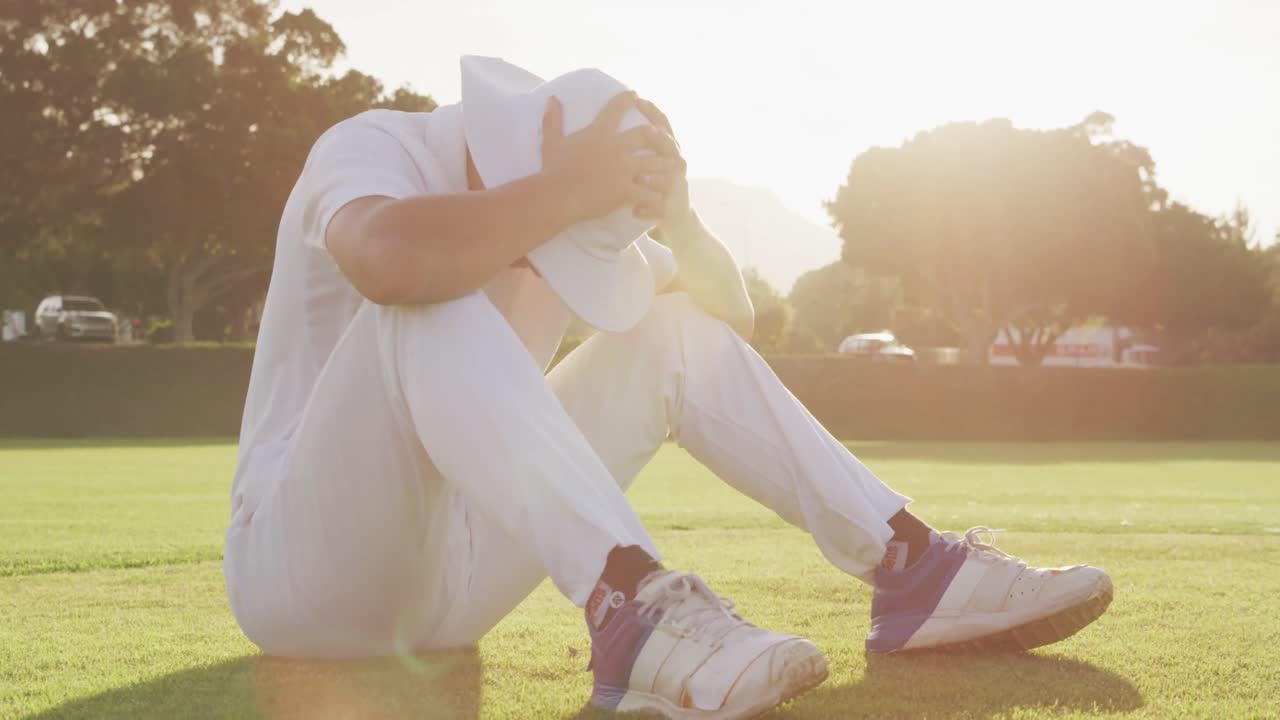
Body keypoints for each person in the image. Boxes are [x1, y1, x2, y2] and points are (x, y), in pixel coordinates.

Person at [223, 57, 1113, 719]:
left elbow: (729, 322)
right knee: (423, 301)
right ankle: (632, 610)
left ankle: (914, 568)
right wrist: (564, 192)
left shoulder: (578, 208)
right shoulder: (374, 146)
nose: (544, 262)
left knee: (674, 325)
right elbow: (392, 260)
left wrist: (678, 219)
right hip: (302, 581)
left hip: (454, 594)